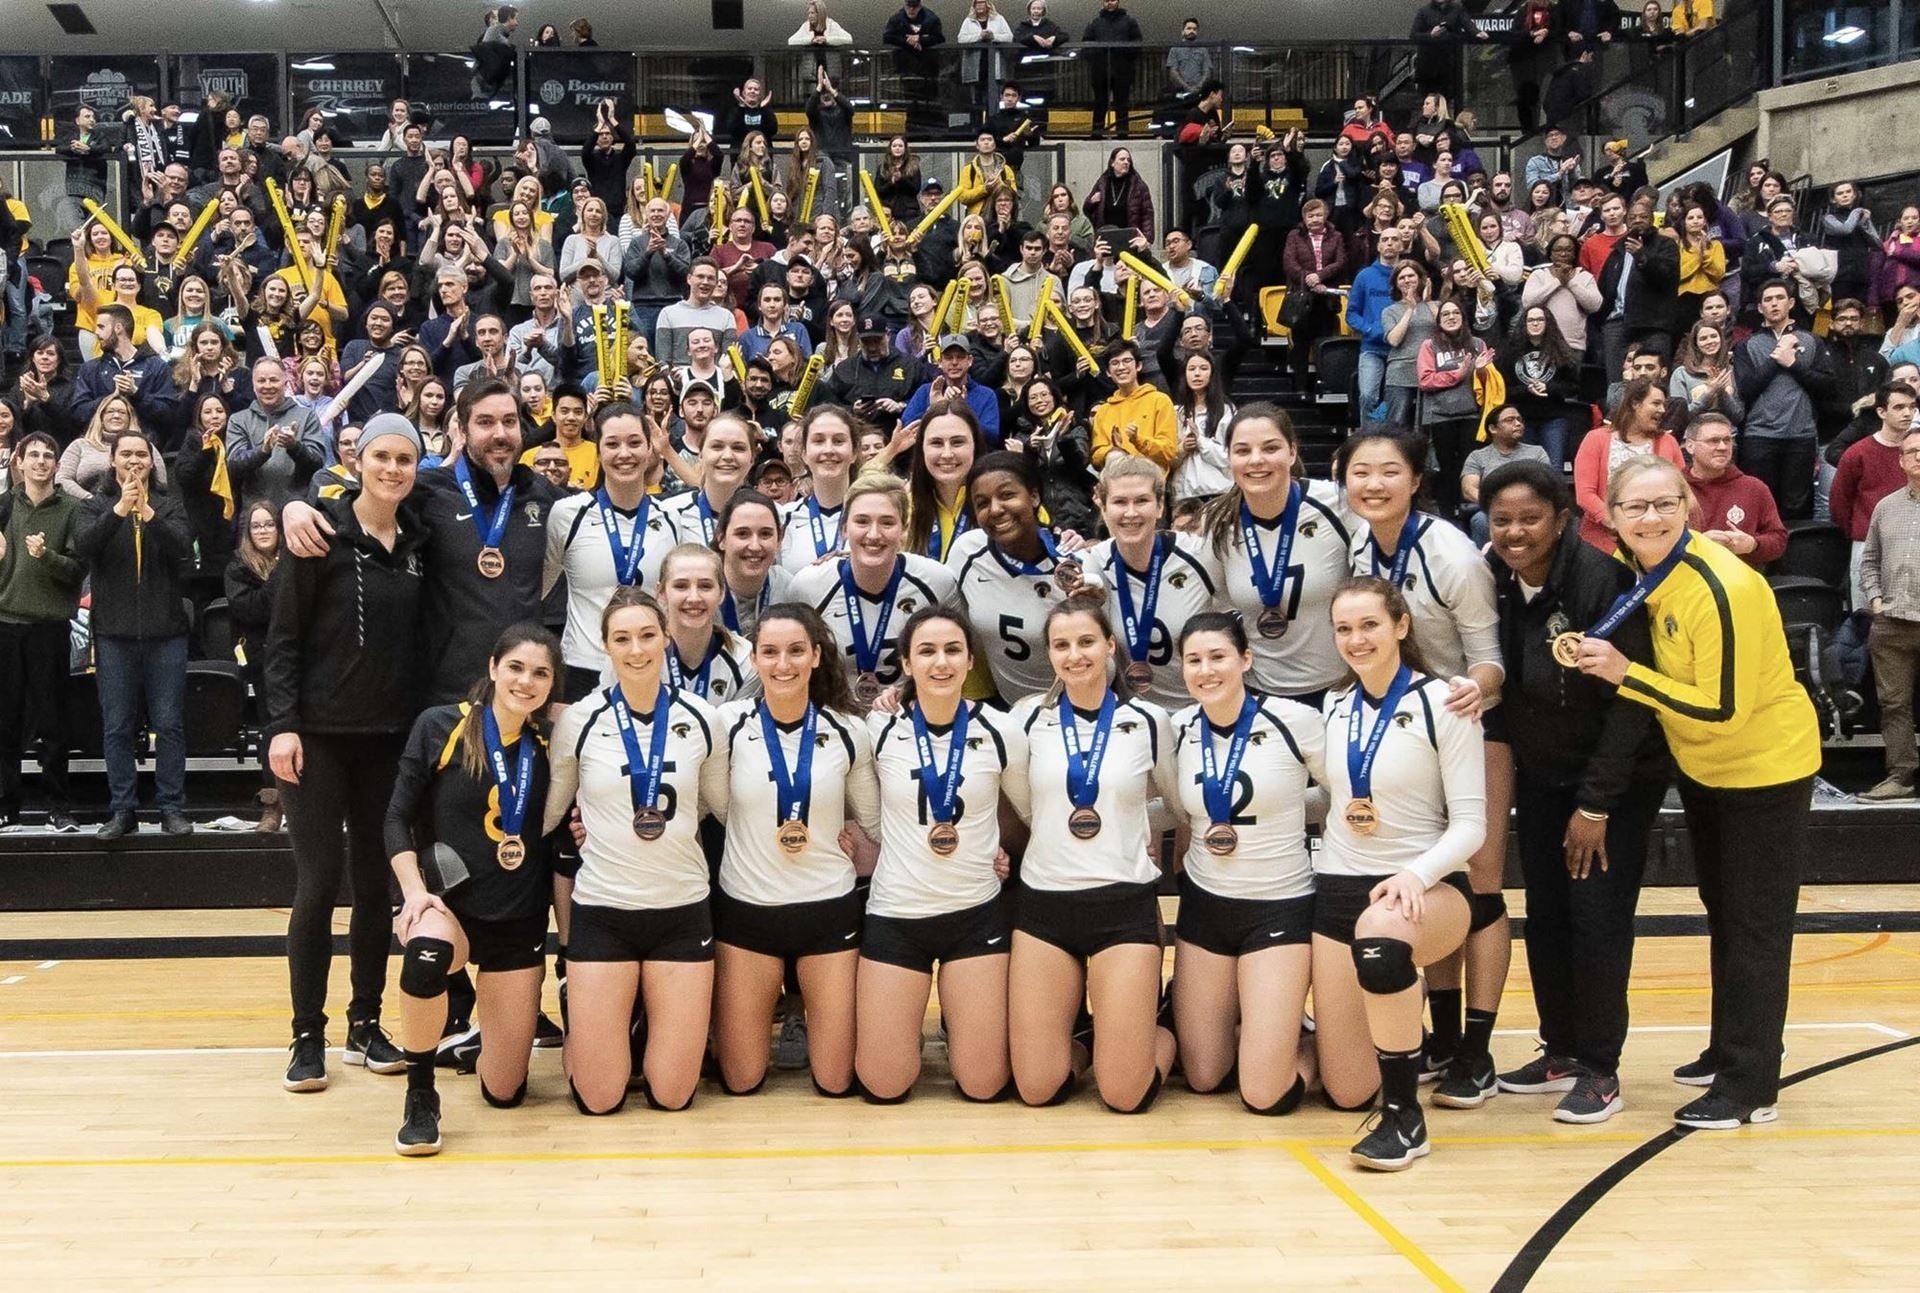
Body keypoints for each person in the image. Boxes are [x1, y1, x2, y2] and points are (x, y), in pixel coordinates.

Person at [1574, 456, 1821, 1129]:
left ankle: (1750, 1086)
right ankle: (1732, 1046)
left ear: (1688, 505)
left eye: (1663, 504)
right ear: (1612, 517)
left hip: (1764, 769)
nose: (1650, 517)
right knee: (1725, 911)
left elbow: (1724, 709)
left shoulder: (1723, 586)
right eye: (1635, 507)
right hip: (1710, 771)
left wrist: (1627, 674)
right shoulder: (1653, 575)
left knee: (1755, 925)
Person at [1479, 461, 1670, 1122]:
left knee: (1597, 917)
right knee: (1549, 913)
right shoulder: (1497, 580)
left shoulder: (1601, 581)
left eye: (1530, 517)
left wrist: (1595, 804)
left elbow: (1630, 706)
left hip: (1613, 783)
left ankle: (1601, 1066)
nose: (1515, 531)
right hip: (1542, 776)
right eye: (1502, 519)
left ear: (1562, 518)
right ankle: (1559, 1047)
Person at [266, 414, 428, 1092]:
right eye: (381, 455)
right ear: (359, 458)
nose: (393, 469)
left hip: (388, 739)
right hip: (319, 738)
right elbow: (282, 638)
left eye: (406, 459)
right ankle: (308, 1034)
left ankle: (365, 1023)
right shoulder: (319, 533)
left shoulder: (420, 542)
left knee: (374, 884)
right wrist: (282, 723)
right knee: (319, 881)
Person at [1314, 576, 1484, 1168]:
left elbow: (1471, 825)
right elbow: (1336, 798)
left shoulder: (1447, 702)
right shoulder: (1333, 706)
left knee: (1383, 945)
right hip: (1337, 887)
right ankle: (1389, 1072)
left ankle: (1405, 1121)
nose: (1356, 639)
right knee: (1344, 1088)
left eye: (1369, 625)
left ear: (1401, 626)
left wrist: (1416, 874)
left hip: (1422, 889)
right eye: (1344, 628)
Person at [543, 589, 729, 1117]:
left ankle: (641, 1024)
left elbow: (723, 808)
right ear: (605, 647)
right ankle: (594, 1011)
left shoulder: (703, 718)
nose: (637, 648)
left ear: (666, 639)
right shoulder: (580, 720)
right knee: (599, 1099)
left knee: (672, 1097)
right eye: (622, 638)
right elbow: (550, 814)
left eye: (648, 635)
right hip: (604, 913)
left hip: (681, 911)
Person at [386, 622, 561, 1153]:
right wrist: (414, 893)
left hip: (518, 919)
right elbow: (396, 817)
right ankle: (421, 1094)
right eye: (515, 667)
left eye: (540, 673)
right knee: (425, 955)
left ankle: (474, 1046)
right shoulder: (441, 727)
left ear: (552, 686)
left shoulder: (552, 745)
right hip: (452, 906)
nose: (525, 681)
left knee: (505, 1092)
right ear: (492, 668)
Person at [1008, 596, 1177, 1111]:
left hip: (1122, 905)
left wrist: (1127, 826)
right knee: (1038, 1090)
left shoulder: (1150, 720)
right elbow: (1027, 807)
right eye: (1061, 645)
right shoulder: (1025, 720)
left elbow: (1178, 806)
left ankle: (1168, 1030)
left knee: (1125, 1096)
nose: (1074, 655)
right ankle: (1088, 1046)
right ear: (1049, 654)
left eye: (1086, 642)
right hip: (1045, 906)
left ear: (1109, 646)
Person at [710, 605, 881, 1098]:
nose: (782, 664)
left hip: (828, 911)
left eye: (795, 651)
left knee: (834, 1080)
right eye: (770, 652)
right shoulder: (726, 724)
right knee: (741, 1080)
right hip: (746, 913)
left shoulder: (850, 730)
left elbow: (876, 823)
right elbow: (700, 803)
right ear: (754, 660)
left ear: (815, 656)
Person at [858, 607, 1029, 1101]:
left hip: (974, 916)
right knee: (884, 1085)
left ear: (970, 659)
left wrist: (1003, 852)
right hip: (896, 913)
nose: (941, 662)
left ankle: (962, 1031)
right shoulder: (879, 728)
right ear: (907, 665)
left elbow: (1033, 812)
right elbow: (858, 806)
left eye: (953, 650)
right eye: (926, 651)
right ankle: (907, 1029)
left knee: (983, 1085)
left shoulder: (1001, 729)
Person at [1167, 611, 1323, 1112]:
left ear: (1246, 659)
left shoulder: (1294, 720)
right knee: (1205, 1076)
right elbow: (1167, 806)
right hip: (1205, 908)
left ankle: (1325, 1042)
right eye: (1194, 660)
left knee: (1263, 1093)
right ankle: (1256, 1023)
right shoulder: (1177, 728)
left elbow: (1346, 792)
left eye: (1218, 657)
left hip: (1278, 907)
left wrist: (1292, 808)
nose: (1206, 670)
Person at [75, 430, 194, 841]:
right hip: (113, 635)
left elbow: (182, 548)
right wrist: (121, 509)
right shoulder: (94, 505)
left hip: (167, 635)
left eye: (141, 455)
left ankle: (171, 807)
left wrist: (147, 512)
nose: (133, 461)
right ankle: (123, 809)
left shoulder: (169, 505)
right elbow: (85, 545)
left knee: (170, 724)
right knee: (117, 727)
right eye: (125, 454)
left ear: (151, 462)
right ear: (112, 462)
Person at [1194, 406, 1351, 705]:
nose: (1256, 460)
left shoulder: (1338, 504)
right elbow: (1218, 599)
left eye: (1270, 448)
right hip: (1259, 694)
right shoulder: (1217, 521)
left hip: (1339, 690)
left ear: (1292, 452)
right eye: (1243, 450)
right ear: (1229, 459)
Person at [542, 404, 678, 701]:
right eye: (612, 444)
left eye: (634, 442)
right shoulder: (568, 514)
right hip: (581, 669)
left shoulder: (672, 518)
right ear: (598, 451)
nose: (624, 454)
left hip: (651, 668)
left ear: (649, 448)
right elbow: (539, 589)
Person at [1060, 456, 1217, 710]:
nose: (1130, 513)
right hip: (1136, 715)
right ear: (1103, 507)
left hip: (1202, 708)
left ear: (1160, 506)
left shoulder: (1198, 555)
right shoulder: (1095, 564)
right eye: (1120, 502)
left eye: (1142, 501)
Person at [786, 476, 958, 705]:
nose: (874, 534)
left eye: (887, 523)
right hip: (835, 724)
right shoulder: (808, 586)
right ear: (844, 528)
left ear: (904, 529)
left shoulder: (938, 581)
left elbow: (959, 659)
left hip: (908, 723)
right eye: (862, 522)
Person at [0, 432, 84, 833]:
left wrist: (45, 556)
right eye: (32, 454)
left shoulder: (70, 508)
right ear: (19, 461)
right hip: (6, 625)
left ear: (55, 464)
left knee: (53, 723)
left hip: (50, 626)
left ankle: (58, 806)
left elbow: (76, 570)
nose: (40, 461)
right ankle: (6, 807)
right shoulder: (2, 506)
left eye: (48, 455)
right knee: (5, 721)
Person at [948, 451, 1072, 700]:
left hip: (1079, 708)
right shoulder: (967, 552)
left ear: (1034, 496)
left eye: (1007, 495)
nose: (995, 509)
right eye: (982, 503)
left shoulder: (1073, 562)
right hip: (1009, 710)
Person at [1736, 279, 1833, 521]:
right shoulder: (1747, 345)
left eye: (1779, 298)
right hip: (1759, 435)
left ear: (1791, 303)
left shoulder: (1811, 341)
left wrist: (1793, 363)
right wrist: (1777, 355)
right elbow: (1746, 389)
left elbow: (1828, 387)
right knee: (1759, 505)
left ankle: (1795, 559)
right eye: (1767, 300)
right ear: (1760, 308)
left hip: (1801, 434)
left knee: (1796, 508)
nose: (1774, 304)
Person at [1859, 424, 1920, 800]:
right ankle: (1901, 776)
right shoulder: (1886, 507)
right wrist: (1876, 599)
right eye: (1911, 451)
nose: (1918, 456)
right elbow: (1869, 561)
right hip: (1893, 623)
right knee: (1893, 704)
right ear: (1900, 461)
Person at [1573, 378, 1685, 551]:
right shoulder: (1595, 439)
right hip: (1603, 540)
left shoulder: (1668, 442)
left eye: (1664, 404)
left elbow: (1681, 491)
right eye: (1656, 403)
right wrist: (1618, 523)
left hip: (1655, 537)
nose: (1662, 410)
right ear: (1635, 403)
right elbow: (1585, 494)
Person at [1830, 383, 1918, 601]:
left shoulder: (1916, 453)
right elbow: (1839, 503)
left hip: (1913, 542)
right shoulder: (1857, 453)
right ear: (1881, 411)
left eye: (1911, 407)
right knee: (1866, 619)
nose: (1907, 413)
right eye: (1899, 407)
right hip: (1868, 545)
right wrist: (1860, 530)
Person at [1415, 297, 1495, 520]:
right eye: (1446, 314)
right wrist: (1457, 375)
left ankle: (1470, 513)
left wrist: (1481, 371)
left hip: (1472, 414)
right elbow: (1425, 380)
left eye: (1455, 313)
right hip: (1441, 416)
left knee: (1469, 467)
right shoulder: (1429, 345)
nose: (1451, 317)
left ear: (1463, 317)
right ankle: (1449, 517)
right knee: (1447, 469)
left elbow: (1490, 383)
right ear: (1439, 320)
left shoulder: (1478, 344)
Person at [1684, 413, 1788, 569]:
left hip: (1740, 582)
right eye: (1713, 441)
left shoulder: (1754, 488)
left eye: (1727, 440)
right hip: (1686, 580)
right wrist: (1697, 544)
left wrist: (1753, 545)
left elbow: (1779, 540)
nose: (1723, 447)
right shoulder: (1672, 487)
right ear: (1690, 446)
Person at [1460, 405, 1551, 542]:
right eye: (1510, 420)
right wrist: (1499, 504)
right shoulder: (1477, 456)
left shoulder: (1537, 452)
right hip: (1494, 510)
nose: (1518, 424)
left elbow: (1548, 485)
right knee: (1480, 521)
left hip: (1530, 508)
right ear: (1493, 429)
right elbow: (1469, 489)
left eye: (1519, 420)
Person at [1090, 341, 1176, 470]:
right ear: (1108, 372)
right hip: (1116, 481)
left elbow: (1169, 451)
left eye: (1127, 361)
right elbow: (1096, 457)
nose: (1121, 367)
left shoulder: (1159, 401)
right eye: (1115, 363)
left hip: (1149, 481)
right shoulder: (1103, 411)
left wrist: (1138, 440)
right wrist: (1113, 451)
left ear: (1139, 366)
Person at [1082, 0, 1145, 140]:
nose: (1110, 3)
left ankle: (1122, 133)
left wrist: (1126, 59)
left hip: (1122, 69)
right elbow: (1086, 44)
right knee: (1100, 102)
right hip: (1100, 70)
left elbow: (1137, 43)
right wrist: (1096, 59)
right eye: (1107, 0)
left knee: (1122, 102)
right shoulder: (1094, 22)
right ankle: (1097, 132)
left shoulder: (1129, 21)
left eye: (1113, 0)